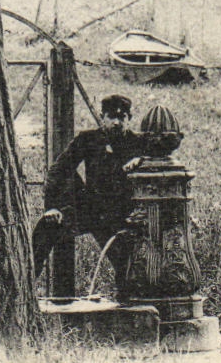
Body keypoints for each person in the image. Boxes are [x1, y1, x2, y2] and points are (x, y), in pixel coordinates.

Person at [32, 93, 146, 292]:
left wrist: (141, 162)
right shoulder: (88, 139)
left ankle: (128, 306)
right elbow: (58, 171)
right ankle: (22, 289)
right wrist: (53, 207)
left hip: (122, 215)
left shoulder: (138, 143)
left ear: (130, 119)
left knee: (130, 269)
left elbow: (160, 159)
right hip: (90, 209)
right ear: (102, 117)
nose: (117, 122)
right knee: (46, 228)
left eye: (123, 117)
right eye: (112, 117)